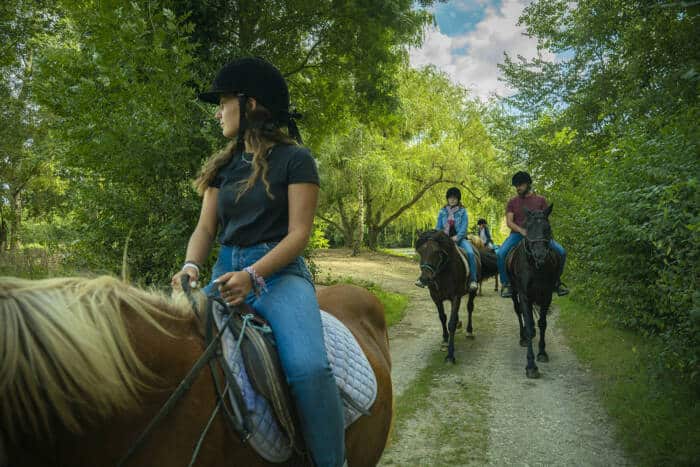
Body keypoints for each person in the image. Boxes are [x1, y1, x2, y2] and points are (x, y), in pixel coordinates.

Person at [170, 57, 344, 467]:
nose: (218, 111)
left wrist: (253, 274)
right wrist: (191, 266)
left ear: (250, 105)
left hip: (280, 276)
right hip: (225, 272)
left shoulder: (296, 159)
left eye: (224, 101)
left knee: (309, 368)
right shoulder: (223, 167)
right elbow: (205, 230)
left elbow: (299, 233)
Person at [497, 171, 569, 298]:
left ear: (528, 184)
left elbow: (545, 220)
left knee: (561, 252)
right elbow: (509, 222)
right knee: (501, 253)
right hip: (518, 234)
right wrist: (521, 231)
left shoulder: (540, 200)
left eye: (521, 185)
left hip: (539, 236)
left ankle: (557, 282)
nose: (518, 188)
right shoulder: (512, 202)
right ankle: (506, 284)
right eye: (516, 186)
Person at [415, 187, 478, 292]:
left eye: (454, 198)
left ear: (458, 199)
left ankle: (473, 280)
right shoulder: (442, 212)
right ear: (447, 199)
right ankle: (423, 278)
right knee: (430, 253)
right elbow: (438, 228)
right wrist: (439, 238)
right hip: (444, 240)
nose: (452, 200)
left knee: (471, 253)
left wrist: (456, 237)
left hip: (460, 239)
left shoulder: (463, 212)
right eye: (450, 198)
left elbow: (464, 227)